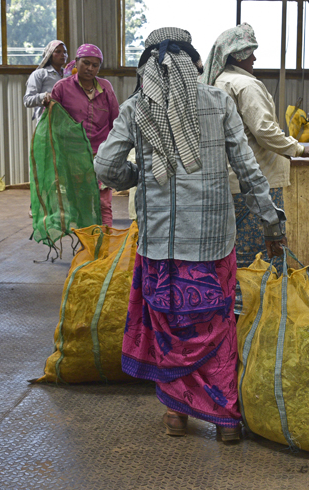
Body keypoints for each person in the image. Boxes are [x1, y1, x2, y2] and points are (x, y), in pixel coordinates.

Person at [94, 27, 287, 443]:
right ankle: (225, 420)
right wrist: (273, 223)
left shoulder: (136, 109)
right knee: (216, 324)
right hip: (212, 244)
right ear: (195, 66)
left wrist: (138, 176)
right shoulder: (217, 102)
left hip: (160, 246)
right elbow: (250, 170)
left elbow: (106, 166)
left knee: (170, 326)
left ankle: (176, 417)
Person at [200, 23, 309, 269]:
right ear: (238, 56)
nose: (255, 58)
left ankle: (234, 298)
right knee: (259, 250)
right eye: (250, 53)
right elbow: (264, 131)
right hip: (257, 179)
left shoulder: (216, 82)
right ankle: (258, 300)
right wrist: (300, 148)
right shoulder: (245, 85)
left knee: (232, 247)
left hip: (226, 179)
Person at [51, 44, 120, 227]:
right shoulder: (62, 88)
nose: (90, 68)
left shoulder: (105, 87)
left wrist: (116, 152)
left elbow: (115, 121)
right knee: (80, 203)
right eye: (86, 63)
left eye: (95, 65)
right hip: (74, 155)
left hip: (102, 154)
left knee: (104, 203)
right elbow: (52, 121)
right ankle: (86, 247)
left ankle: (104, 247)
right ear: (76, 62)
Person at [23, 40, 68, 122]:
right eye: (58, 52)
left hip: (66, 124)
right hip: (47, 123)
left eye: (65, 52)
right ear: (50, 55)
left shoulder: (69, 75)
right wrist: (44, 96)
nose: (63, 55)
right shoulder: (40, 74)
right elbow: (27, 100)